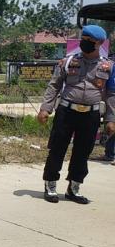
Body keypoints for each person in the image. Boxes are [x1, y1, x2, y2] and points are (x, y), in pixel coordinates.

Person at [37, 25, 113, 204]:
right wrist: (45, 108)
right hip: (66, 111)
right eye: (83, 39)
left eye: (89, 40)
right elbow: (54, 85)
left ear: (99, 43)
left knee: (83, 152)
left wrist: (111, 119)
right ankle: (51, 185)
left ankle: (74, 187)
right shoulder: (68, 61)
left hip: (91, 115)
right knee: (57, 148)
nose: (84, 42)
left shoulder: (108, 66)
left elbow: (111, 94)